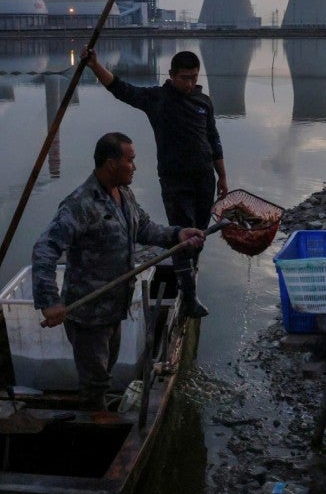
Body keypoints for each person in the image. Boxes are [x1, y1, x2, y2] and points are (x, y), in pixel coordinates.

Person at [33, 132, 205, 410]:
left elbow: (146, 229)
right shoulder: (81, 204)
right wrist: (49, 301)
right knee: (94, 384)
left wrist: (178, 234)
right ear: (112, 164)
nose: (135, 167)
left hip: (115, 308)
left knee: (104, 374)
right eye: (130, 160)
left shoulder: (124, 194)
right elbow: (45, 249)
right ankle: (91, 428)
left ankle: (99, 411)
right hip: (89, 316)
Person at [81, 47, 226, 319]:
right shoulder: (157, 99)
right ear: (171, 75)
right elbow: (120, 89)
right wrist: (95, 66)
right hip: (175, 181)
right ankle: (190, 298)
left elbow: (213, 138)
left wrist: (223, 176)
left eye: (194, 77)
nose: (190, 83)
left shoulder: (203, 101)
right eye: (184, 77)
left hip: (204, 178)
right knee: (183, 234)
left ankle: (189, 279)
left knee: (199, 235)